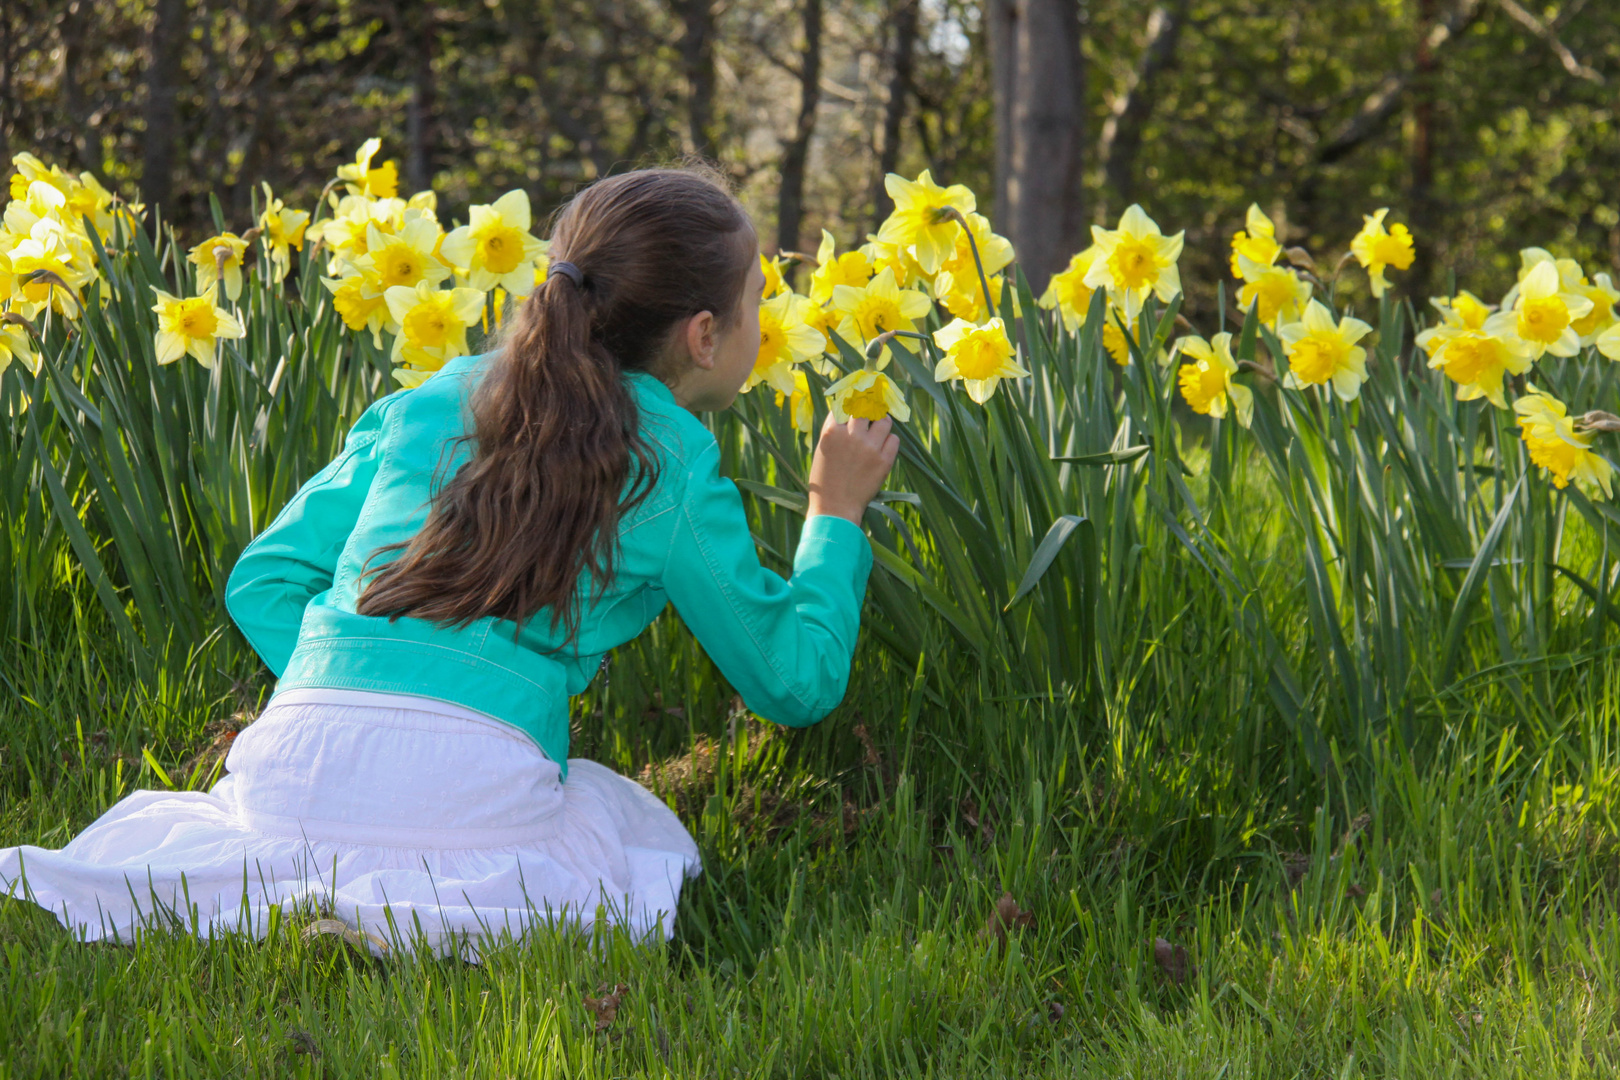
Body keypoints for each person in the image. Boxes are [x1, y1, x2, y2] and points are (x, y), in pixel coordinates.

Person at [0, 166, 899, 957]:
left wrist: (374, 702)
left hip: (289, 767)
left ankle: (351, 893)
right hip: (479, 786)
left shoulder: (425, 400)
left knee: (314, 837)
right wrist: (835, 510)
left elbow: (264, 582)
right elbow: (794, 683)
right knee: (631, 827)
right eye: (756, 305)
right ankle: (412, 916)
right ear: (705, 336)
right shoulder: (672, 462)